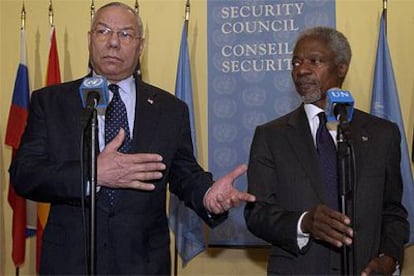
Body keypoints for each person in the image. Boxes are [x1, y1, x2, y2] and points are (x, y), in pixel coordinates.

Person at [9, 2, 255, 275]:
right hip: (69, 263)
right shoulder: (50, 102)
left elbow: (184, 173)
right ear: (90, 39)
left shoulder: (170, 109)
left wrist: (208, 194)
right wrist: (93, 174)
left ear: (141, 46)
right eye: (103, 31)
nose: (113, 42)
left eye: (125, 34)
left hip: (143, 263)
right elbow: (24, 174)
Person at [244, 26, 409, 275]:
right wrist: (304, 222)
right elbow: (257, 214)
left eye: (314, 61)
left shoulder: (382, 134)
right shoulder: (271, 136)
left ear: (342, 67)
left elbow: (393, 211)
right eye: (296, 62)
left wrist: (388, 259)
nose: (301, 70)